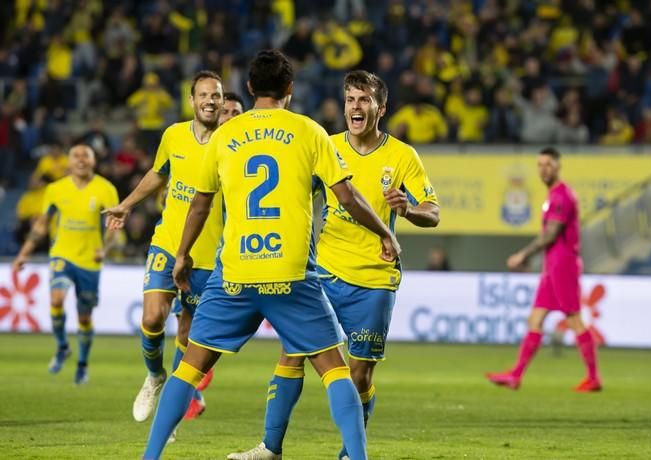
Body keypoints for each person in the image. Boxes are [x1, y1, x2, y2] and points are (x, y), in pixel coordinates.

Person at [141, 49, 400, 460]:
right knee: (334, 370)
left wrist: (182, 254)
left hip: (236, 273)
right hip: (292, 273)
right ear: (290, 90)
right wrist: (385, 232)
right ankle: (358, 457)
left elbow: (200, 204)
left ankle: (150, 457)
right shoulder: (310, 132)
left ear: (248, 88)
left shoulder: (226, 134)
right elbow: (347, 197)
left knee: (188, 367)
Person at [229, 70, 440, 460]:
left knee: (359, 374)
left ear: (381, 107)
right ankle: (270, 448)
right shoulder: (325, 145)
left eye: (363, 100)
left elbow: (433, 213)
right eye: (350, 100)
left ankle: (348, 454)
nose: (355, 108)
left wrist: (409, 210)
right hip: (323, 272)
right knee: (291, 353)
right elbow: (292, 191)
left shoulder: (403, 156)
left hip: (374, 280)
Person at [103, 70, 225, 423]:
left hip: (207, 254)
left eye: (216, 95)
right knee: (153, 316)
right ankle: (154, 375)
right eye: (203, 94)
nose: (209, 101)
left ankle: (174, 406)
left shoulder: (232, 142)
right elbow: (158, 174)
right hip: (168, 243)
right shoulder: (174, 135)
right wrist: (126, 205)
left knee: (187, 334)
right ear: (192, 100)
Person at [486, 147, 602, 392]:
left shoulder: (562, 196)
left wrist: (522, 255)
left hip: (563, 265)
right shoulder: (553, 196)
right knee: (535, 318)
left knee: (574, 319)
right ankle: (516, 375)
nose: (543, 169)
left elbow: (551, 235)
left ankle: (593, 377)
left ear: (558, 166)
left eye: (548, 164)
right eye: (540, 164)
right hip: (552, 266)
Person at [168, 89, 246, 420]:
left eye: (237, 112)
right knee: (186, 331)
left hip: (236, 259)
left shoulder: (249, 159)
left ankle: (192, 386)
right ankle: (190, 394)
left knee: (207, 334)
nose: (231, 117)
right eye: (226, 112)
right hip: (199, 257)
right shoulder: (208, 154)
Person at [12, 144, 119, 385]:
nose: (81, 159)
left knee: (84, 318)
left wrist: (106, 248)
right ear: (68, 162)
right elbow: (41, 225)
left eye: (86, 155)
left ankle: (82, 362)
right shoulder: (55, 189)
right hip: (62, 254)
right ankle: (62, 346)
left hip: (90, 260)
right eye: (76, 156)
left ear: (94, 161)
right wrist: (23, 254)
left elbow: (113, 226)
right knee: (57, 299)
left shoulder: (105, 188)